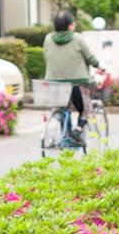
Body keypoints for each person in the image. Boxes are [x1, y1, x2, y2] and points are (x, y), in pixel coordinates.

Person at [42, 11, 98, 146]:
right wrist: (99, 66)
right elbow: (90, 57)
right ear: (70, 26)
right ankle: (77, 131)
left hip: (53, 83)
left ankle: (65, 136)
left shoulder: (48, 39)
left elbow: (46, 57)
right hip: (76, 84)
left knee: (62, 109)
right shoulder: (77, 38)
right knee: (86, 109)